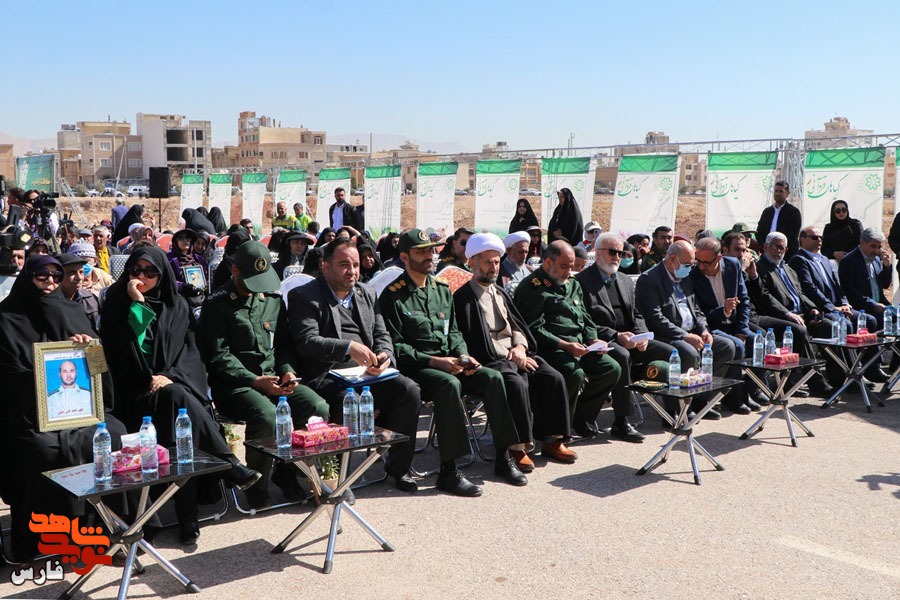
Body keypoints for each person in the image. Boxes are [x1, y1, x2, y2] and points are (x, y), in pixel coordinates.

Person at [100, 247, 261, 544]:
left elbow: (192, 355)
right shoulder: (116, 304)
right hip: (132, 393)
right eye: (136, 270)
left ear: (163, 275)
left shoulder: (177, 306)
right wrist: (137, 305)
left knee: (179, 422)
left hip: (173, 388)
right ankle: (228, 467)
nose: (143, 277)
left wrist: (171, 376)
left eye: (151, 271)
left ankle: (189, 516)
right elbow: (125, 352)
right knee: (179, 409)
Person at [380, 229, 528, 496]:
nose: (430, 255)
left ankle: (503, 457)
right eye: (421, 252)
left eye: (431, 250)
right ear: (404, 257)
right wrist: (436, 362)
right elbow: (396, 347)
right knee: (449, 385)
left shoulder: (441, 289)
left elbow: (454, 332)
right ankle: (449, 471)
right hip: (419, 368)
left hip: (450, 363)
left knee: (493, 378)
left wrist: (464, 356)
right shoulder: (393, 295)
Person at [0, 255, 127, 561]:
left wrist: (88, 349)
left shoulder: (72, 311)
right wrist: (43, 370)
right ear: (28, 277)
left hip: (80, 411)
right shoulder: (6, 318)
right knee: (43, 450)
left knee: (113, 433)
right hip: (29, 415)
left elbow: (100, 369)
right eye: (42, 275)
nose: (50, 281)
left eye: (56, 276)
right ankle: (45, 539)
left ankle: (112, 531)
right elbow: (7, 377)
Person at [199, 242, 330, 508]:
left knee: (316, 407)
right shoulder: (216, 305)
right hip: (235, 386)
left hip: (274, 380)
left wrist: (287, 371)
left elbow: (284, 345)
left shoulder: (272, 301)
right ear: (235, 270)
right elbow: (217, 356)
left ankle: (290, 471)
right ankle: (256, 486)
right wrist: (254, 380)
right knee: (267, 416)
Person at [289, 239, 421, 493]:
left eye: (356, 265)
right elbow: (307, 341)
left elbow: (382, 334)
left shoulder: (366, 292)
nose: (352, 271)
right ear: (325, 265)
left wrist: (384, 356)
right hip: (329, 374)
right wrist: (348, 348)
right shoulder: (304, 296)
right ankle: (337, 479)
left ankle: (399, 467)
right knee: (345, 400)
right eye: (344, 265)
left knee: (409, 390)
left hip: (368, 373)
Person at [454, 233, 576, 471]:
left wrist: (520, 347)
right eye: (488, 262)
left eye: (496, 262)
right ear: (472, 263)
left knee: (553, 377)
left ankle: (553, 440)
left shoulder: (500, 292)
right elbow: (474, 342)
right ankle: (517, 447)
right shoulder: (463, 298)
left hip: (516, 354)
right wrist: (511, 355)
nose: (493, 267)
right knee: (516, 383)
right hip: (491, 360)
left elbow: (518, 326)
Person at [514, 240, 621, 437]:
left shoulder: (572, 283)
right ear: (548, 263)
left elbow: (585, 316)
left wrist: (592, 339)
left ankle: (580, 417)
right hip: (551, 348)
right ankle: (558, 432)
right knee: (574, 373)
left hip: (579, 345)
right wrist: (565, 345)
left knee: (611, 368)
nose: (568, 271)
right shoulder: (532, 287)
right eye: (564, 266)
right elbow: (533, 329)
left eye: (571, 266)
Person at [577, 233, 671, 438]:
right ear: (598, 253)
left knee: (670, 352)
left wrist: (641, 335)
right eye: (612, 252)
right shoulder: (582, 281)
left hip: (631, 339)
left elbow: (637, 314)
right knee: (622, 355)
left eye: (621, 253)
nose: (617, 257)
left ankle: (671, 412)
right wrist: (616, 335)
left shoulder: (625, 280)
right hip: (603, 341)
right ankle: (622, 421)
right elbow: (585, 321)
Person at [634, 240, 740, 419]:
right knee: (688, 352)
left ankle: (700, 400)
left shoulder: (685, 277)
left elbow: (696, 309)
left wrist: (704, 330)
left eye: (692, 264)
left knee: (726, 347)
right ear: (672, 258)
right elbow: (654, 318)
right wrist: (685, 336)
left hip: (692, 332)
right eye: (687, 264)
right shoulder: (650, 279)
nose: (690, 268)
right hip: (665, 336)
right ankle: (678, 407)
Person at [689, 237, 767, 411]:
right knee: (737, 346)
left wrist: (742, 330)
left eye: (706, 262)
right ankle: (733, 397)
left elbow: (744, 300)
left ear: (719, 258)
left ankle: (750, 389)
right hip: (713, 325)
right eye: (698, 261)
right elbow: (699, 314)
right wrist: (723, 310)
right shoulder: (693, 276)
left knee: (760, 341)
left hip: (734, 323)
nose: (701, 266)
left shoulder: (732, 265)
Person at [756, 232, 841, 390]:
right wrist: (788, 314)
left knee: (828, 326)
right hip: (780, 316)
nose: (779, 251)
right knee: (799, 330)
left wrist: (812, 308)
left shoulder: (787, 268)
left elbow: (800, 293)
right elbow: (766, 298)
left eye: (783, 248)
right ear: (766, 246)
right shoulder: (760, 269)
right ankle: (815, 381)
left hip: (801, 314)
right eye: (776, 247)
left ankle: (839, 378)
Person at [838, 227, 893, 330]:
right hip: (862, 307)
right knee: (877, 321)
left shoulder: (876, 259)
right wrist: (873, 305)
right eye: (873, 246)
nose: (876, 250)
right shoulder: (849, 261)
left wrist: (887, 266)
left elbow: (885, 284)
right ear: (862, 243)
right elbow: (850, 291)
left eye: (879, 247)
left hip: (880, 305)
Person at [755, 180, 802, 259]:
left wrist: (781, 248)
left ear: (787, 194)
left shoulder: (793, 212)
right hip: (767, 253)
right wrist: (764, 246)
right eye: (776, 191)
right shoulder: (767, 212)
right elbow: (759, 231)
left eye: (781, 191)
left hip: (786, 255)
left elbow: (793, 235)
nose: (778, 194)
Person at [58, 253, 101, 330]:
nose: (79, 277)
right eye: (72, 273)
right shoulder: (50, 302)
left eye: (81, 272)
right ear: (58, 276)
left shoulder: (91, 300)